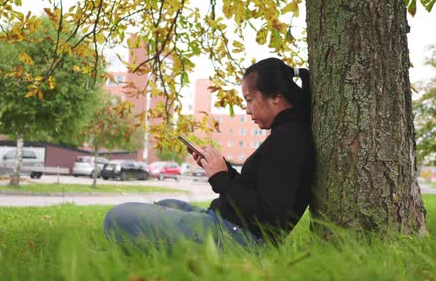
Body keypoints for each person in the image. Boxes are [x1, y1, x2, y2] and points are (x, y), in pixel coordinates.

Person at [103, 57, 313, 248]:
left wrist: (221, 179)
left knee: (116, 217)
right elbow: (259, 194)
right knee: (166, 205)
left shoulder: (289, 137)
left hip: (238, 238)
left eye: (249, 100)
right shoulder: (285, 133)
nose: (247, 110)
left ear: (276, 96)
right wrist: (221, 168)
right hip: (229, 223)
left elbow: (270, 217)